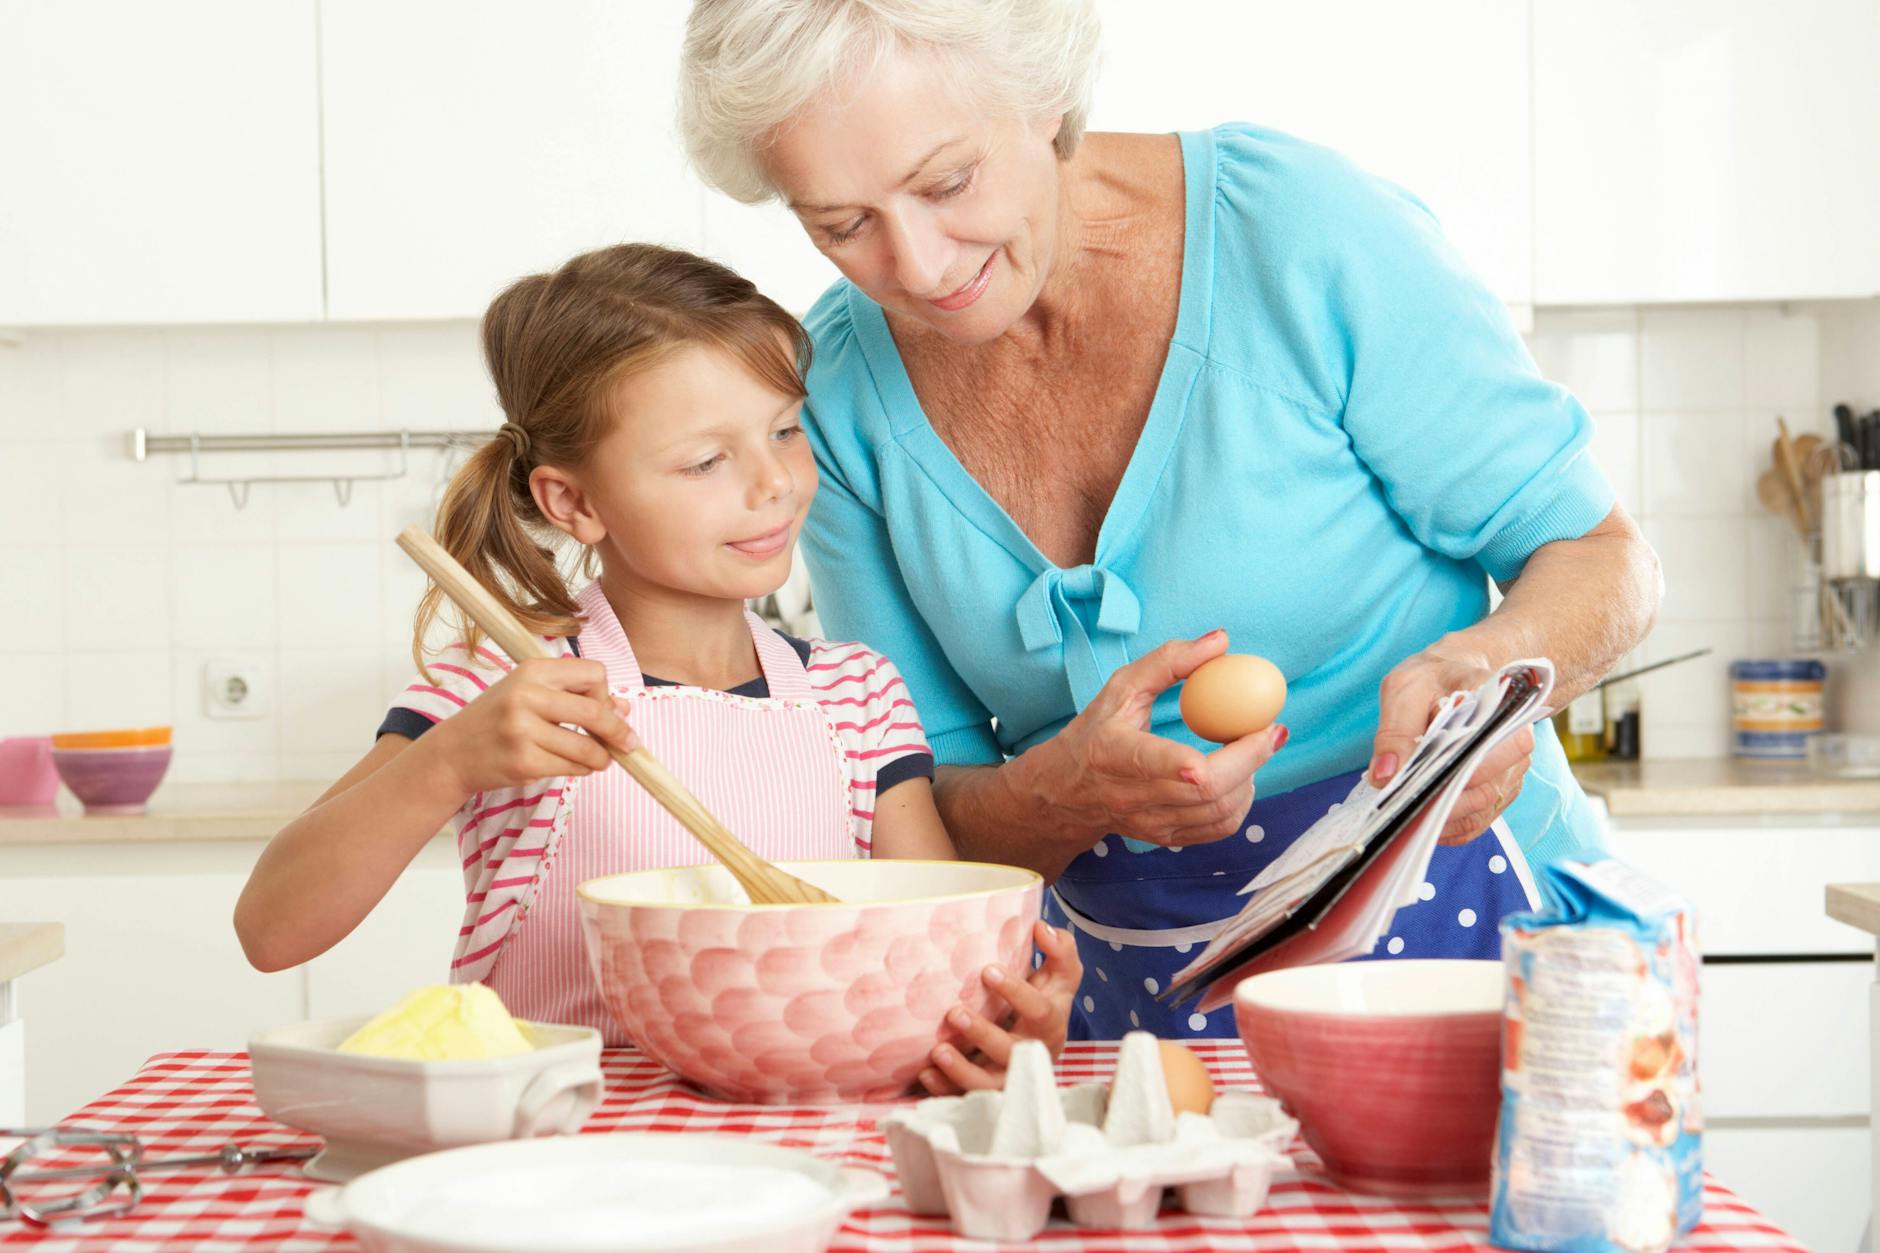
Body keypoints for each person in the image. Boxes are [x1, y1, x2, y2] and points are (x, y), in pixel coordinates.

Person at [678, 0, 1663, 1039]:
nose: (916, 266)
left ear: (1042, 96)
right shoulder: (830, 402)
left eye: (946, 182)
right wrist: (1063, 790)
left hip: (1477, 936)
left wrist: (1495, 668)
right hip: (1129, 999)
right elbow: (918, 809)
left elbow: (1602, 557)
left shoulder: (1295, 233)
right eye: (841, 224)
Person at [233, 243, 1079, 1092]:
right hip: (553, 1148)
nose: (772, 483)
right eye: (706, 461)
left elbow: (929, 953)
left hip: (797, 1141)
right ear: (575, 502)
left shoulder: (855, 696)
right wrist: (449, 759)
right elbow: (272, 929)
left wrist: (1008, 1023)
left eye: (785, 429)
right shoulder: (507, 690)